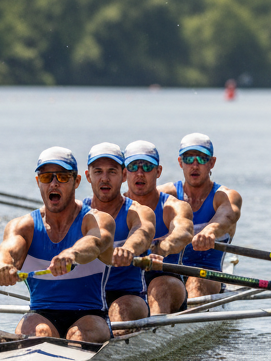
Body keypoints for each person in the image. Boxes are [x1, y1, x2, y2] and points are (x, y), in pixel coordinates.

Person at [0, 147, 116, 343]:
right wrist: (2, 268)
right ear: (38, 182)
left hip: (91, 314)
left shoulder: (97, 219)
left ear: (76, 181)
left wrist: (72, 254)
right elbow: (6, 253)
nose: (54, 184)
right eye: (46, 177)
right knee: (37, 333)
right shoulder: (23, 226)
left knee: (78, 336)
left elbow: (95, 241)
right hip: (41, 314)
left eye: (62, 177)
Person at [159, 133, 242, 298]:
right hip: (169, 274)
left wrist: (209, 232)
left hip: (208, 275)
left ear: (212, 163)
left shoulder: (226, 196)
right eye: (189, 159)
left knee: (197, 283)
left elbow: (226, 217)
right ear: (180, 162)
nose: (194, 166)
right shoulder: (165, 194)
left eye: (202, 159)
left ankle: (188, 316)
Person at [82, 143, 155, 324]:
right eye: (98, 172)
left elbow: (143, 233)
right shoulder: (76, 213)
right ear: (87, 176)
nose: (104, 179)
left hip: (128, 296)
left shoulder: (138, 211)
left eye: (112, 172)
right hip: (85, 299)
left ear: (123, 175)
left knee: (121, 309)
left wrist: (128, 249)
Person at [123, 140, 195, 315]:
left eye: (147, 167)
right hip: (123, 286)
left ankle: (154, 331)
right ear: (125, 173)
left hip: (164, 278)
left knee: (161, 286)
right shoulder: (111, 209)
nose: (140, 173)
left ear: (158, 172)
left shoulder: (174, 206)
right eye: (133, 166)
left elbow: (183, 232)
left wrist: (161, 247)